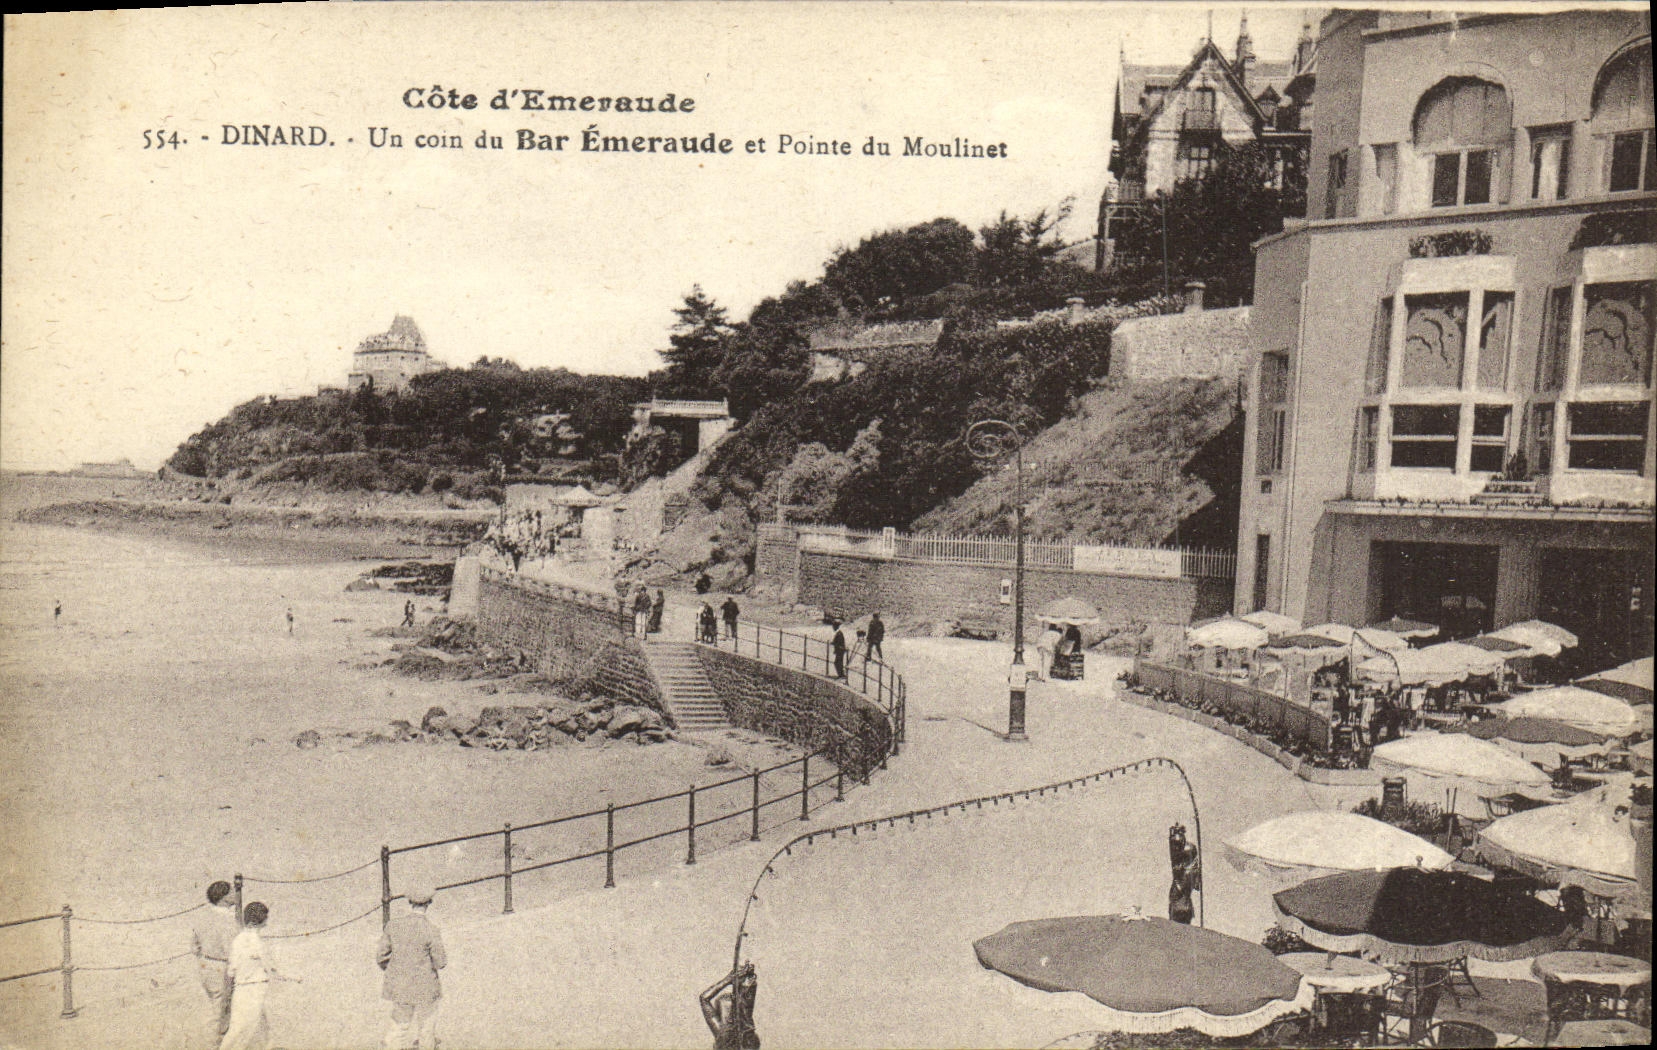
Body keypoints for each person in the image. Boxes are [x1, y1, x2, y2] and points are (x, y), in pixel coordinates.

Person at [378, 885, 447, 1050]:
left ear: (409, 902)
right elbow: (440, 962)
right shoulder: (431, 930)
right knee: (426, 1028)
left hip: (400, 985)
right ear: (429, 903)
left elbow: (381, 957)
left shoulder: (393, 926)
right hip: (426, 987)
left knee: (399, 1026)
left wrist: (397, 970)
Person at [221, 901, 283, 1050]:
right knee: (242, 1031)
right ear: (260, 920)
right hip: (255, 990)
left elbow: (231, 970)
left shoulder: (238, 940)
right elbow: (272, 968)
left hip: (240, 989)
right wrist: (293, 976)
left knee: (259, 1031)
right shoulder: (257, 943)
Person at [190, 880, 239, 1045]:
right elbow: (233, 950)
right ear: (224, 897)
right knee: (221, 1012)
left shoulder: (203, 917)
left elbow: (194, 946)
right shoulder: (228, 920)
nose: (235, 894)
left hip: (205, 965)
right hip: (222, 967)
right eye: (231, 891)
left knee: (215, 1008)